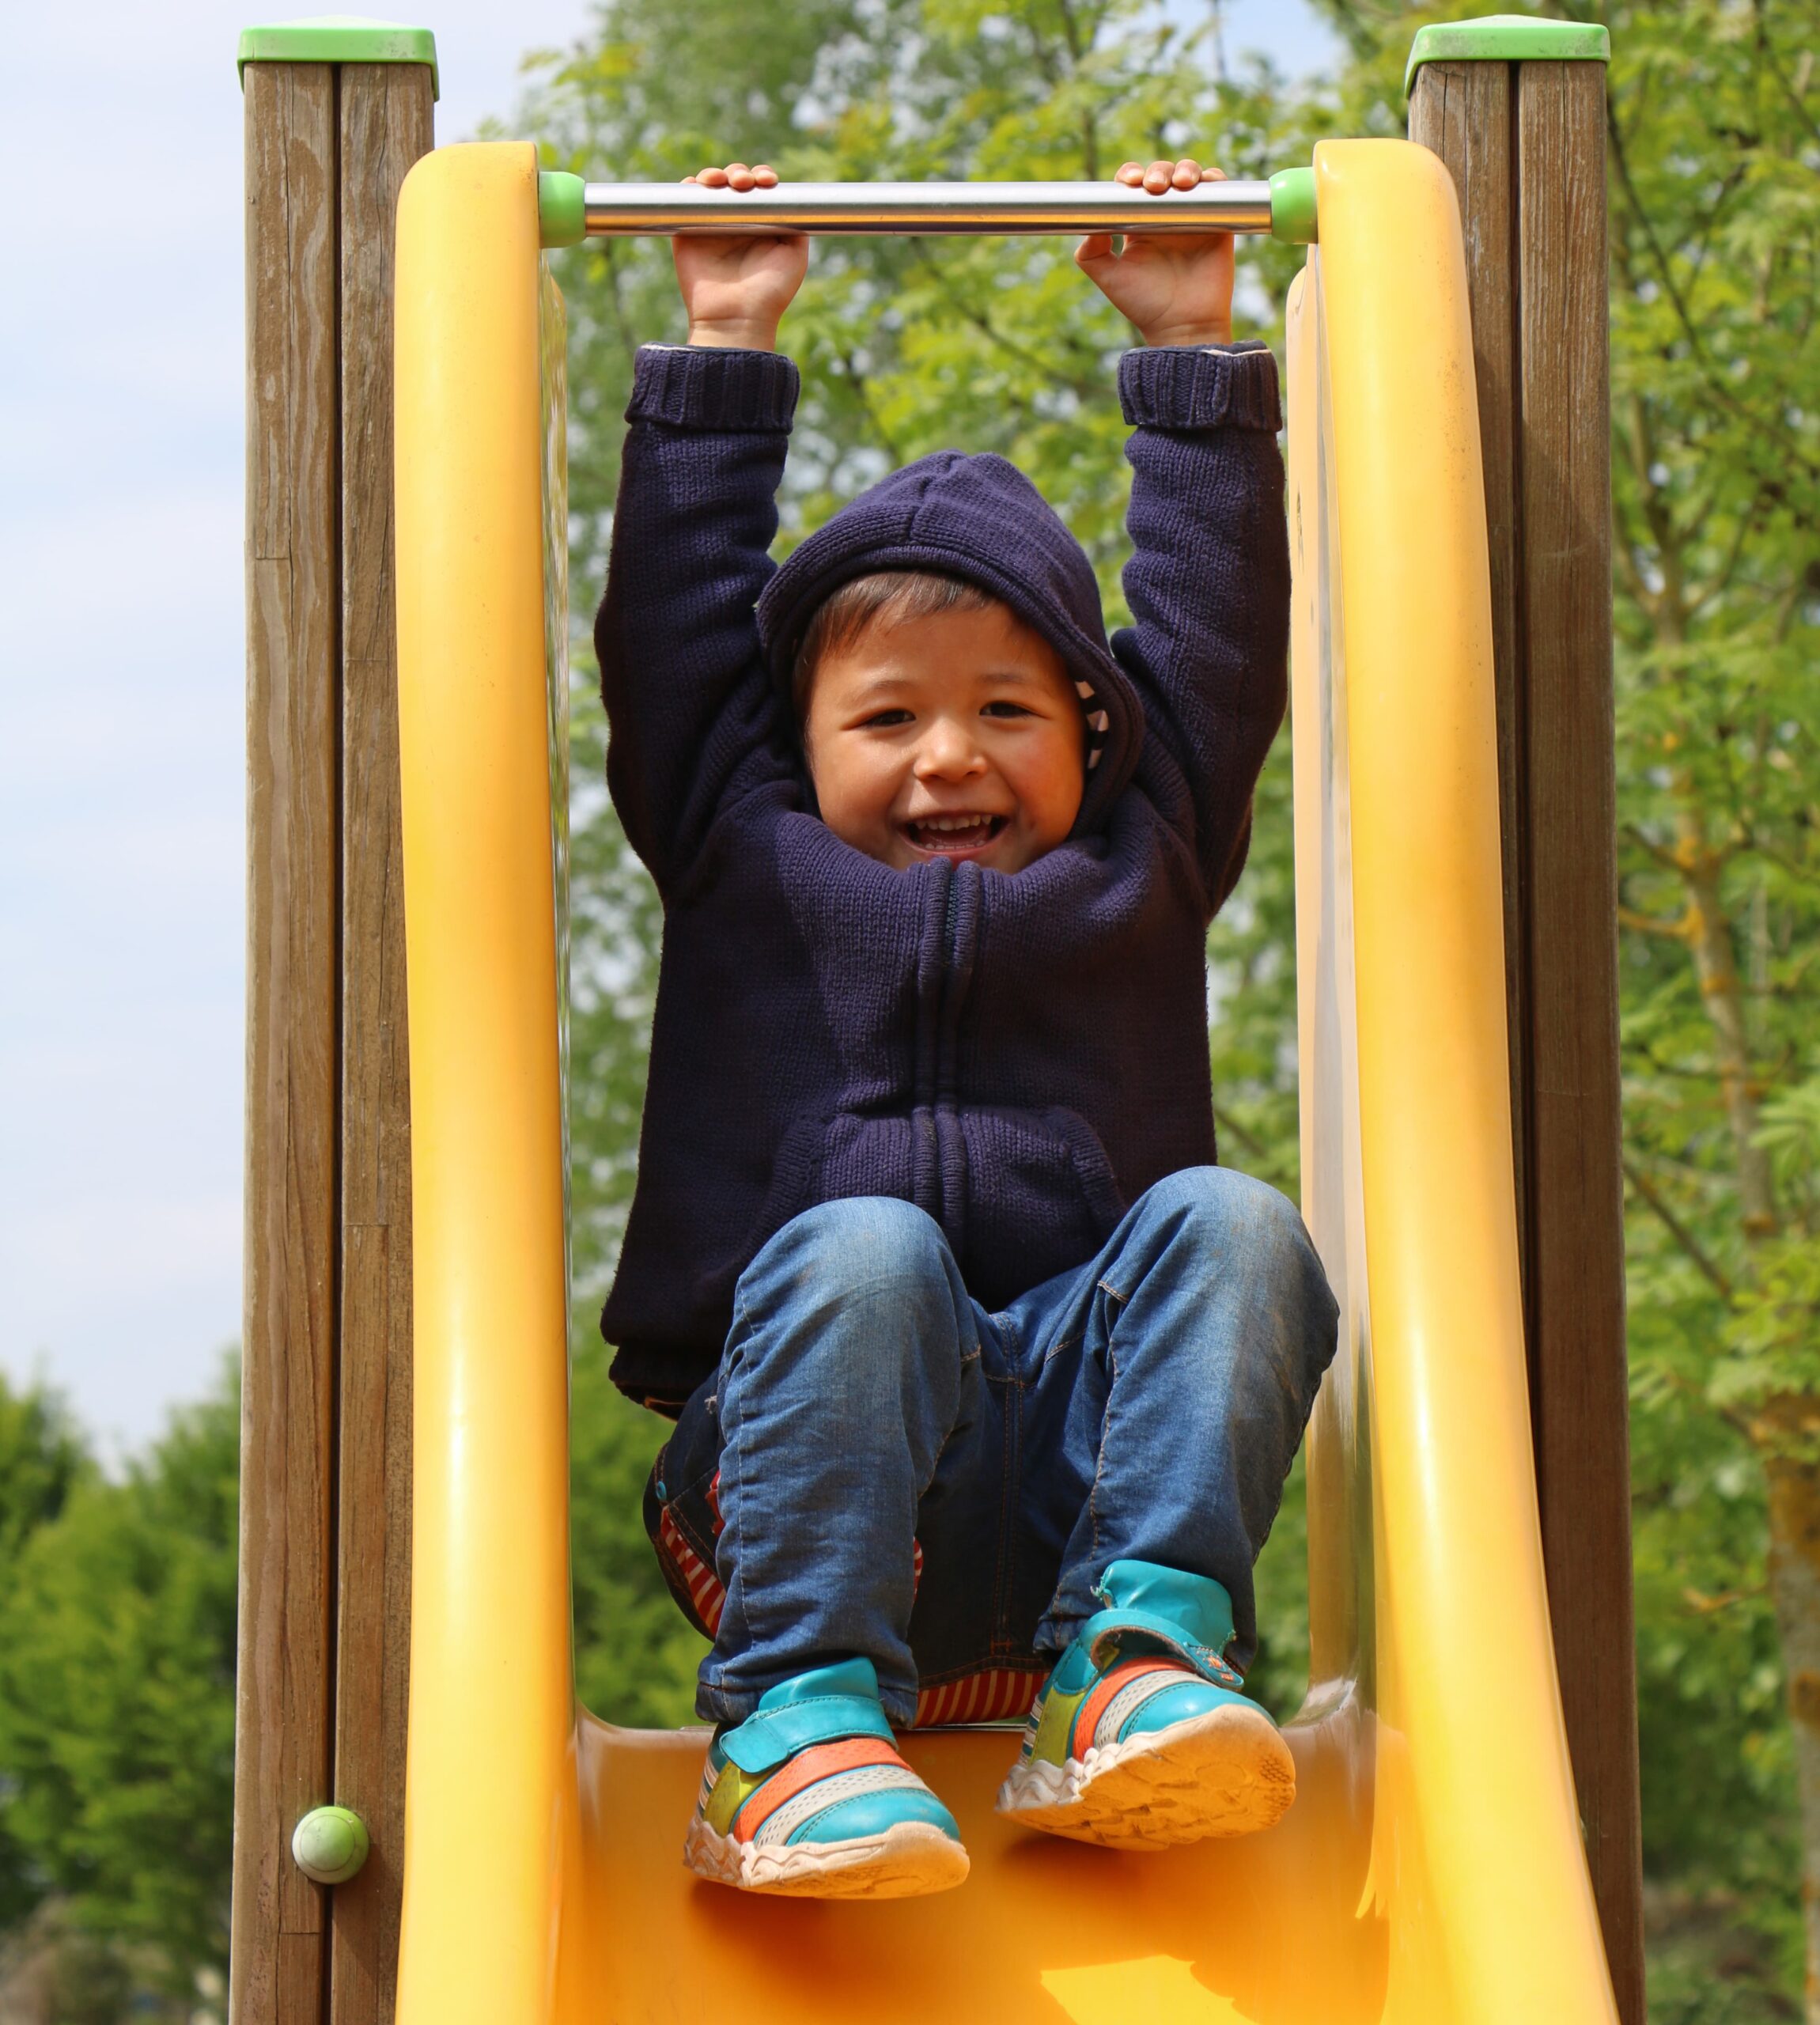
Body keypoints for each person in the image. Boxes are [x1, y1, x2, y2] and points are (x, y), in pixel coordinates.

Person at [594, 154, 1339, 1901]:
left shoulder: (1144, 857)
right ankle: (787, 1726)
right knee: (868, 1245)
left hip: (1080, 1483)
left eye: (1008, 708)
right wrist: (726, 340)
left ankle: (1134, 1659)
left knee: (1235, 1222)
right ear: (795, 744)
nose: (949, 755)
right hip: (800, 1477)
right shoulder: (737, 840)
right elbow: (676, 639)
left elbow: (1217, 644)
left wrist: (1188, 348)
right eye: (888, 718)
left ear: (1096, 735)